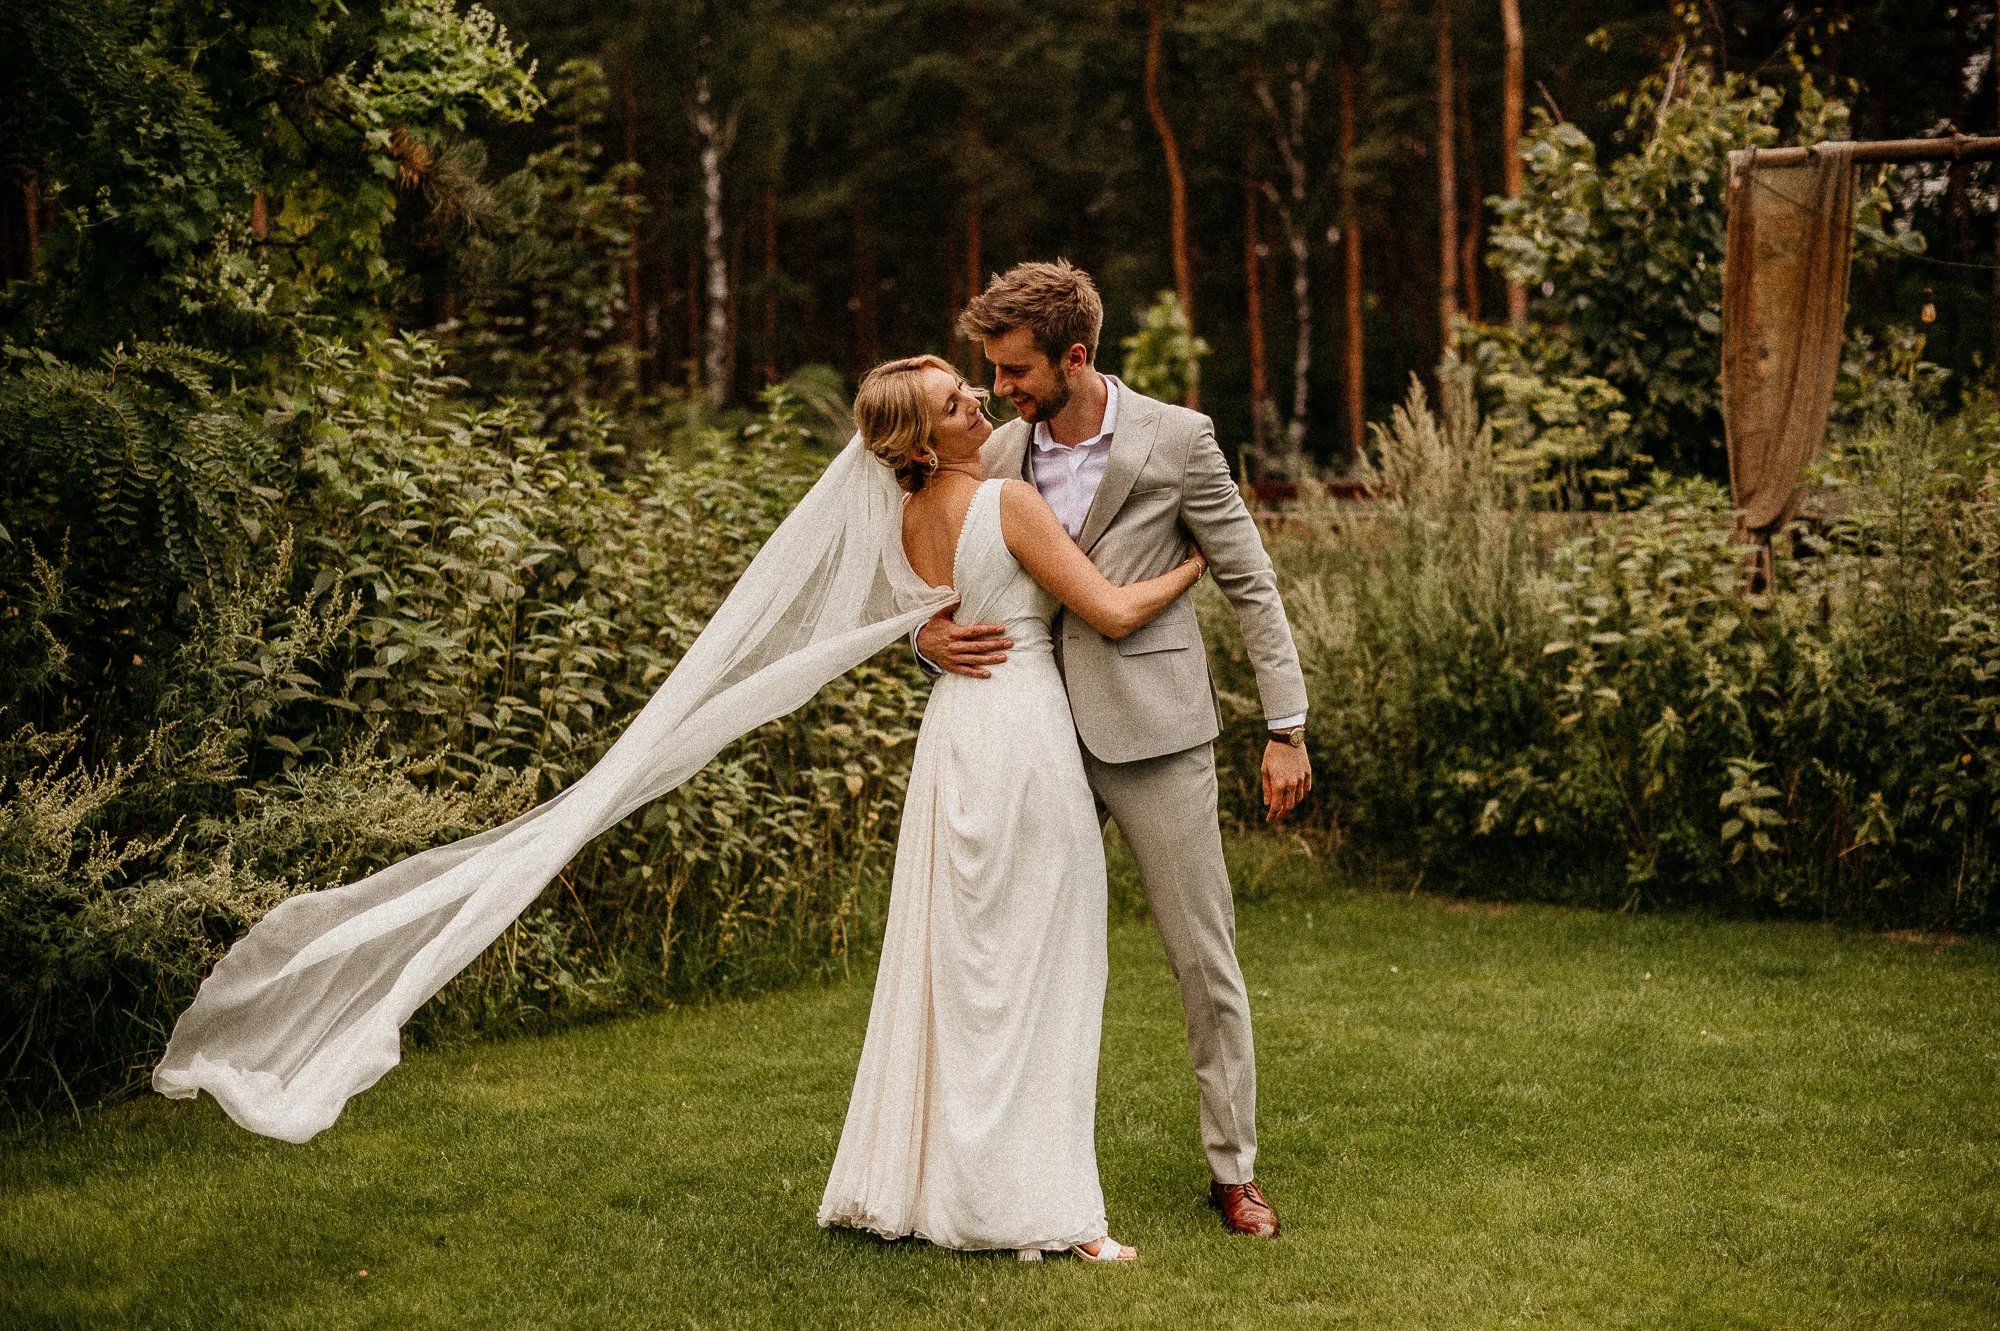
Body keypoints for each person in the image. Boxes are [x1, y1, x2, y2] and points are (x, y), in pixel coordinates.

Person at [919, 260, 1310, 1239]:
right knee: (1010, 954)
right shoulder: (997, 453)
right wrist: (919, 633)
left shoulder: (1178, 440)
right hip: (1032, 732)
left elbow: (1249, 583)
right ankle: (1002, 1168)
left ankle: (1233, 1170)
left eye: (1014, 370)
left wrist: (1284, 727)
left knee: (1200, 957)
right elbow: (932, 555)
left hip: (1158, 738)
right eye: (993, 373)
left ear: (1075, 356)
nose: (998, 391)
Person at [818, 353, 1209, 1261]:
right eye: (957, 403)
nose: (979, 401)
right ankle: (1048, 1209)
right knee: (1047, 969)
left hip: (956, 736)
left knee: (964, 973)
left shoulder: (908, 516)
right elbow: (1110, 611)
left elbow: (904, 606)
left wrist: (924, 633)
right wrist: (1186, 572)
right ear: (925, 437)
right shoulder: (1008, 501)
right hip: (1026, 734)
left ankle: (946, 1186)